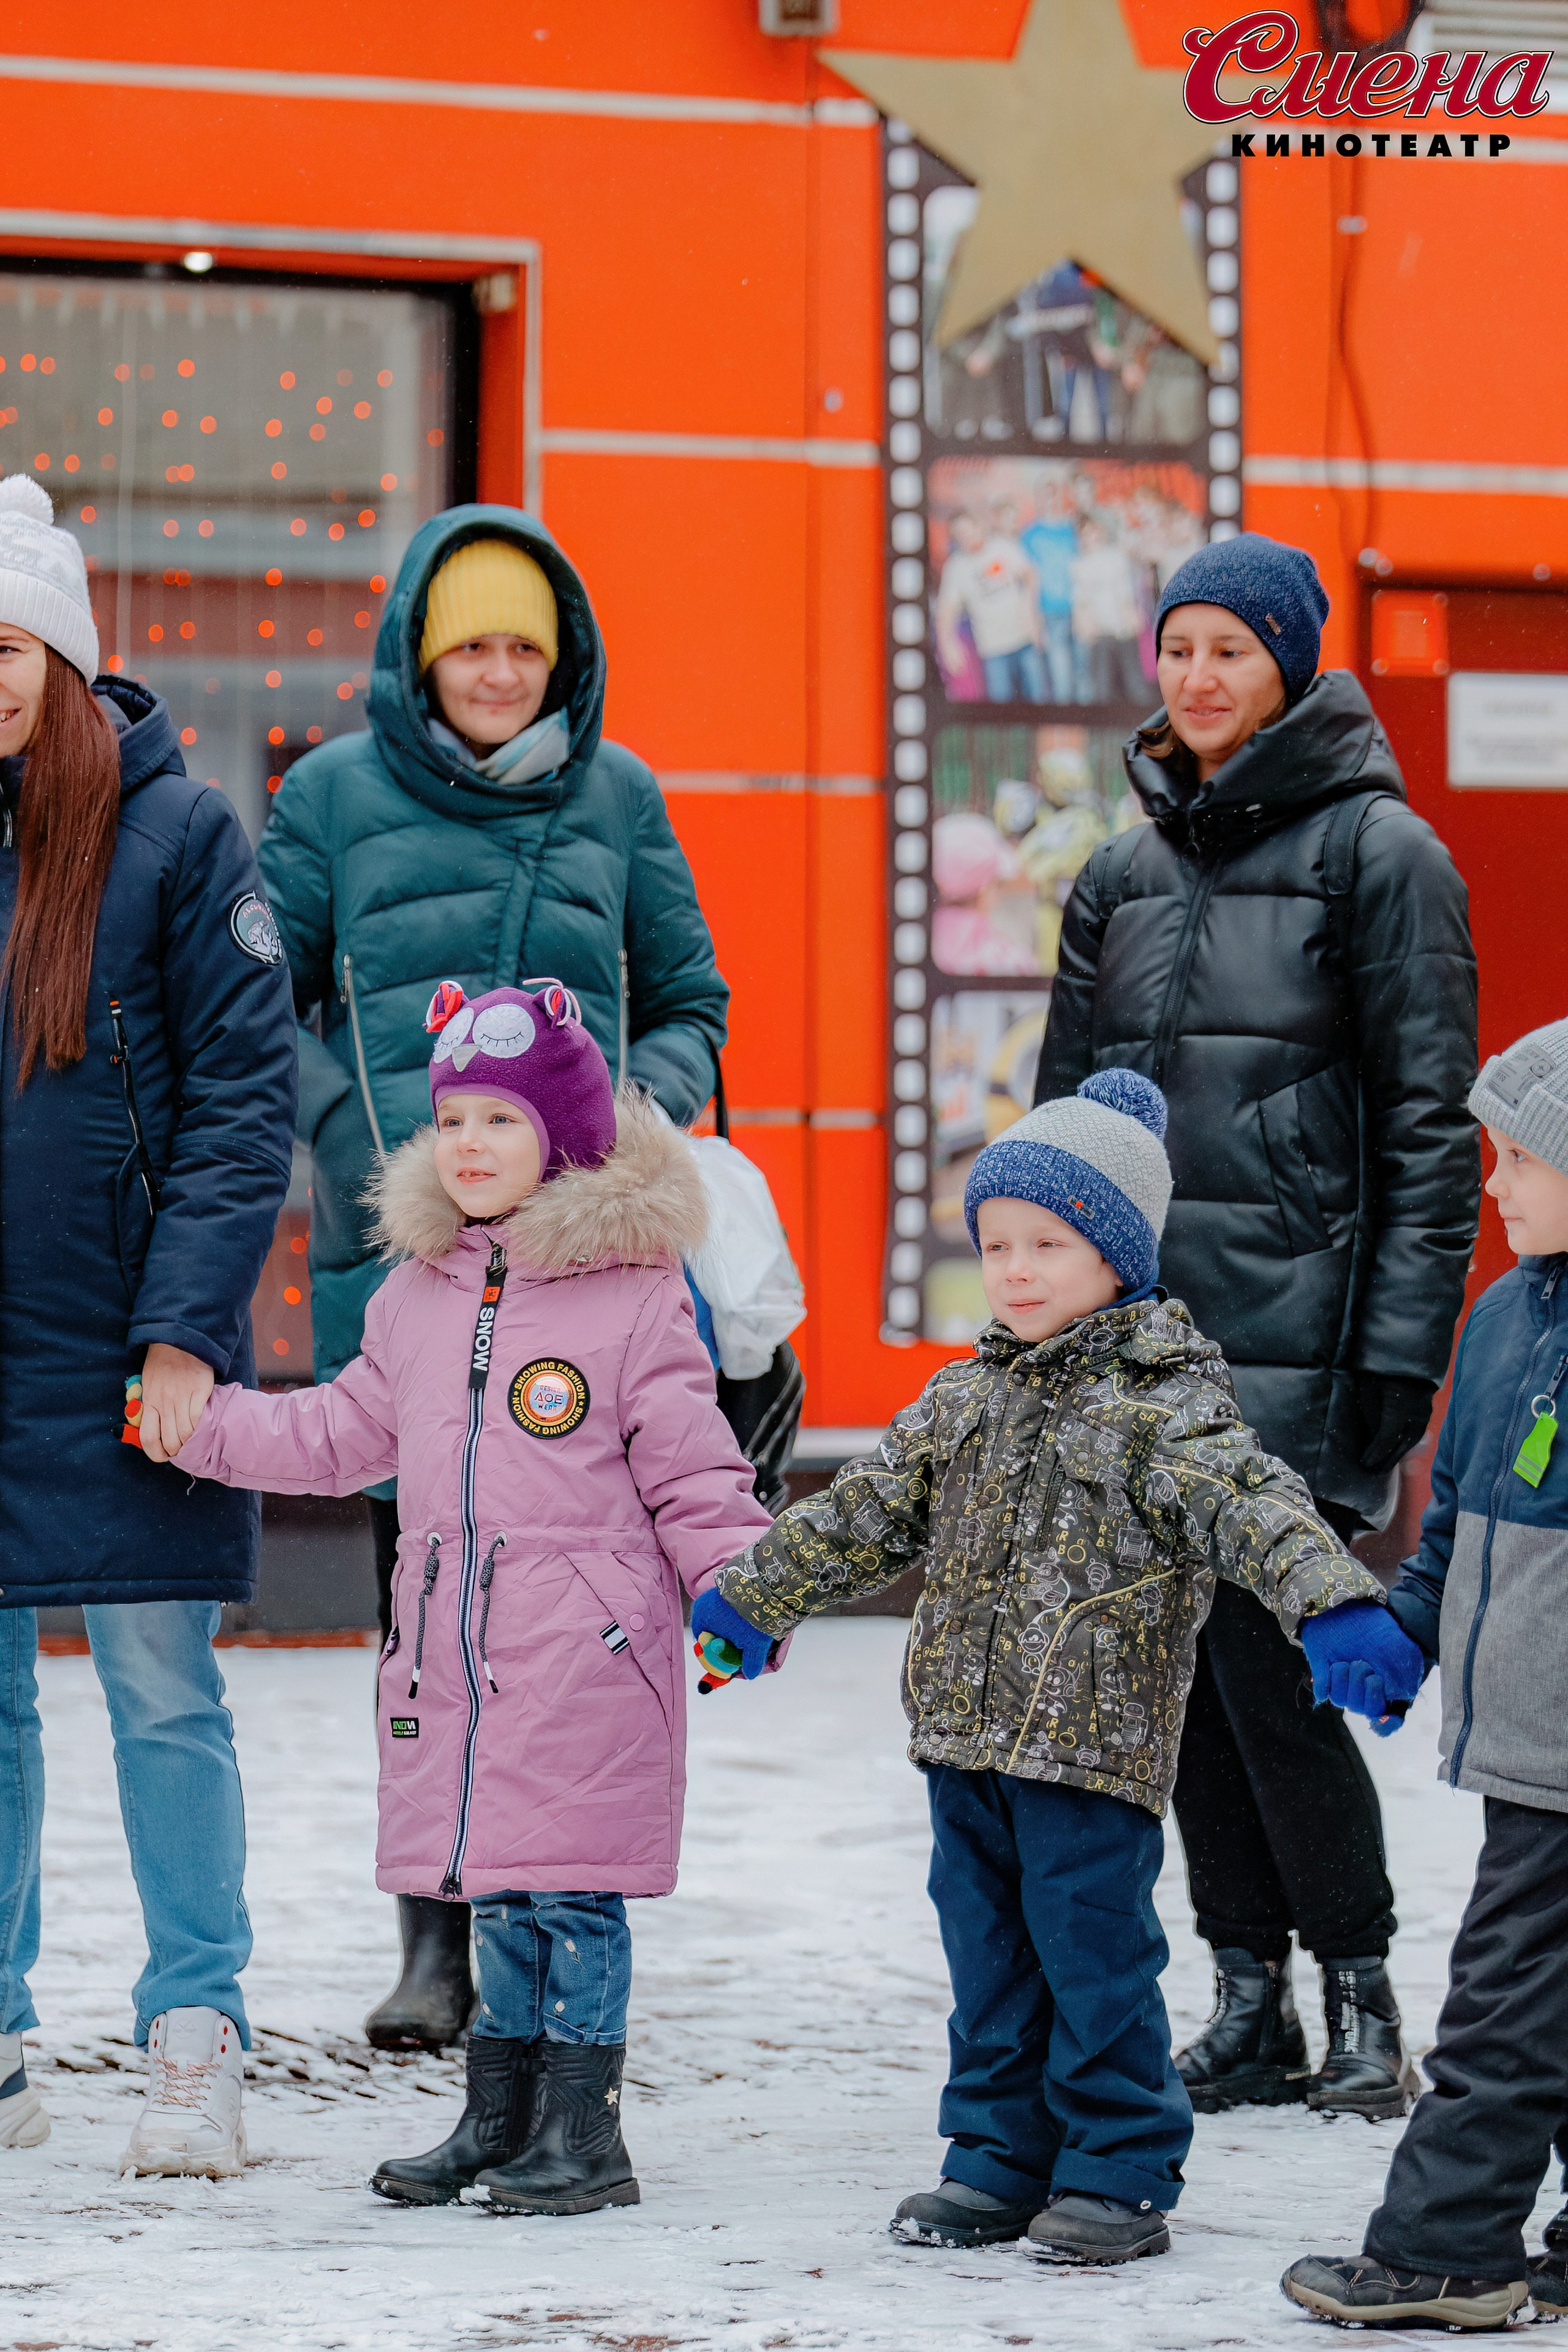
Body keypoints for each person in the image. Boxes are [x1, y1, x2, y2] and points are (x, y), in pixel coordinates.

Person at [691, 1071, 1392, 2264]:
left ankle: (1117, 2168)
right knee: (988, 1965)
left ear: (1119, 1255)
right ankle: (996, 2158)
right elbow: (863, 1512)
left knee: (1091, 1959)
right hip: (962, 1742)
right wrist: (756, 1593)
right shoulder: (961, 1399)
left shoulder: (1161, 1406)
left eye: (1048, 1246)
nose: (1014, 1271)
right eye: (996, 1245)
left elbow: (1254, 1507)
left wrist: (1330, 1606)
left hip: (1087, 1751)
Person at [166, 982, 774, 2214]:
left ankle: (583, 2134)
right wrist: (205, 1427)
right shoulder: (417, 1294)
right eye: (452, 1121)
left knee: (572, 1898)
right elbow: (342, 1433)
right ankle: (497, 2118)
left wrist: (740, 1588)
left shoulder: (633, 1289)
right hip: (460, 1650)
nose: (470, 1145)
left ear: (566, 1134)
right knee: (497, 1891)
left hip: (589, 1653)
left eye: (501, 1119)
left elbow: (692, 1464)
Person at [258, 508, 729, 2051]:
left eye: (526, 645)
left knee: (569, 1611)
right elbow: (257, 1003)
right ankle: (434, 1941)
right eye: (472, 644)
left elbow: (690, 999)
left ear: (561, 655)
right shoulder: (330, 794)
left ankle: (545, 1936)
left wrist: (624, 1123)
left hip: (581, 1273)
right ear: (420, 652)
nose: (499, 672)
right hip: (407, 1265)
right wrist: (351, 1130)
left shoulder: (617, 794)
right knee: (425, 1614)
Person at [1033, 530, 1479, 2119]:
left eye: (1231, 647)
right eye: (1178, 648)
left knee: (1274, 1677)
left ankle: (1358, 1990)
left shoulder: (1382, 856)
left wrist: (1396, 1368)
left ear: (1290, 663)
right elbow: (1062, 1143)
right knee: (1181, 1685)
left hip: (1302, 1345)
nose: (1200, 676)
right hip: (1142, 1354)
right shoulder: (1119, 876)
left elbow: (1428, 1136)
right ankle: (1248, 1997)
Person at [0, 474, 296, 2174]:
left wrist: (184, 1330)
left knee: (162, 1689)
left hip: (129, 1354)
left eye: (5, 647)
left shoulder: (179, 837)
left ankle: (197, 2028)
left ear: (60, 656)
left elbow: (246, 1108)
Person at [1282, 1021, 1568, 2332]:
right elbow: (1454, 1524)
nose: (1493, 1187)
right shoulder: (1507, 1318)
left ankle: (1445, 2248)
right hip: (1524, 1732)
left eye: (1519, 1162)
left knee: (1504, 2004)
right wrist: (1406, 1631)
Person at [933, 512, 1047, 704]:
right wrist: (947, 644)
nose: (967, 536)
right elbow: (946, 609)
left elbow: (1030, 574)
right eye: (960, 534)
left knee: (1039, 701)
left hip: (1024, 639)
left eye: (969, 530)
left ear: (979, 527)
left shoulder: (1002, 547)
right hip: (993, 650)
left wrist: (1029, 608)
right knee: (1001, 709)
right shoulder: (956, 567)